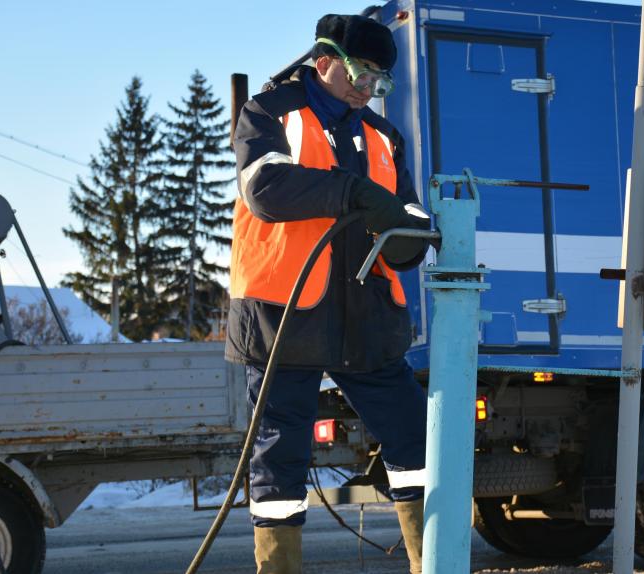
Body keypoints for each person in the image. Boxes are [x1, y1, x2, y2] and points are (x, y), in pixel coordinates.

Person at [227, 13, 430, 574]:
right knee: (279, 464)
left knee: (415, 441)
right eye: (363, 77)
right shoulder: (269, 114)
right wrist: (357, 193)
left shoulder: (385, 137)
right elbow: (266, 189)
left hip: (366, 318)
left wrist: (407, 233)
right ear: (324, 64)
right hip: (284, 317)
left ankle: (432, 562)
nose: (370, 92)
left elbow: (410, 221)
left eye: (380, 83)